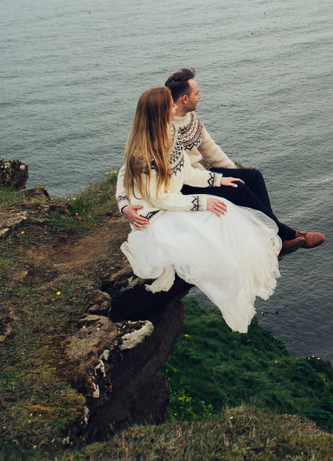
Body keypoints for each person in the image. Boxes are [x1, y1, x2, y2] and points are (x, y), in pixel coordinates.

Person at [118, 86, 281, 333]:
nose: (175, 108)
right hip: (156, 217)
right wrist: (201, 203)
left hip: (171, 203)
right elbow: (159, 197)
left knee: (225, 209)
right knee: (217, 219)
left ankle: (262, 257)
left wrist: (217, 180)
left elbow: (185, 173)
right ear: (160, 111)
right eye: (170, 106)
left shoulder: (170, 132)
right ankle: (239, 280)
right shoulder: (142, 152)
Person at [117, 68, 324, 256]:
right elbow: (128, 173)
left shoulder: (182, 124)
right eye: (197, 93)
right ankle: (282, 237)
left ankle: (274, 235)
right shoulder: (149, 139)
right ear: (184, 99)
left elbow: (209, 152)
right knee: (240, 190)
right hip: (179, 190)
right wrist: (124, 205)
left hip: (193, 175)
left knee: (253, 177)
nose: (200, 96)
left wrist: (229, 174)